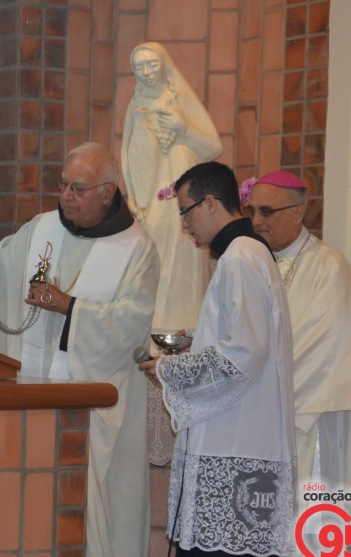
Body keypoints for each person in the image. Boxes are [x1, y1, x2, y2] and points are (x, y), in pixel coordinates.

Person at [0, 142, 159, 557]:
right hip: (32, 399)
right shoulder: (42, 228)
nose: (66, 196)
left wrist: (70, 308)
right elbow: (2, 264)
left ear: (108, 193)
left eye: (78, 188)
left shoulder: (137, 248)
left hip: (95, 413)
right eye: (63, 184)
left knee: (92, 518)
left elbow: (133, 326)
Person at [139, 162, 296, 557]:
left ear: (211, 203)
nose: (185, 223)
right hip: (245, 449)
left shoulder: (240, 259)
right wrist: (194, 349)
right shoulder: (251, 255)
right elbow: (242, 344)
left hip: (234, 451)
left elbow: (244, 353)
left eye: (187, 211)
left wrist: (168, 368)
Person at [247, 170, 351, 557]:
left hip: (314, 439)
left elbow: (314, 356)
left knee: (310, 553)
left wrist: (247, 389)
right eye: (252, 210)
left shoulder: (329, 269)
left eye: (267, 211)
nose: (257, 221)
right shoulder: (252, 265)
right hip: (268, 437)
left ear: (299, 211)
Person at [121, 42, 223, 465]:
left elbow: (212, 145)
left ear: (164, 67)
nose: (146, 71)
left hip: (177, 188)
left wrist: (181, 128)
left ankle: (177, 327)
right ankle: (153, 324)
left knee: (179, 258)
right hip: (150, 201)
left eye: (152, 64)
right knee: (152, 262)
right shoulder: (135, 106)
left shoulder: (179, 101)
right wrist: (136, 199)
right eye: (139, 65)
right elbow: (129, 153)